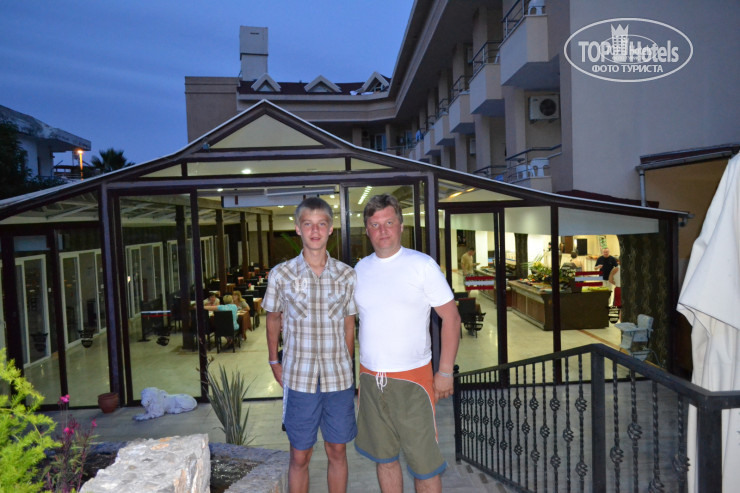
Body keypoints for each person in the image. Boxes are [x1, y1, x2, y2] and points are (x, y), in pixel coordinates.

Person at [354, 193, 461, 493]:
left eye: (389, 223)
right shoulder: (360, 270)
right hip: (371, 379)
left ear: (401, 226)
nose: (383, 230)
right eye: (375, 224)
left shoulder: (422, 265)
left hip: (414, 381)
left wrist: (445, 371)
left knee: (424, 465)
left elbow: (451, 318)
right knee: (384, 459)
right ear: (367, 230)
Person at [262, 197, 357, 493]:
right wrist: (274, 361)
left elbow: (349, 324)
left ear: (330, 228)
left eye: (321, 224)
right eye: (308, 224)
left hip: (338, 379)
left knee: (337, 451)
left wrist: (348, 366)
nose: (315, 231)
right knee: (300, 455)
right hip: (299, 379)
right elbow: (273, 319)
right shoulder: (281, 274)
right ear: (298, 228)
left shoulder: (347, 275)